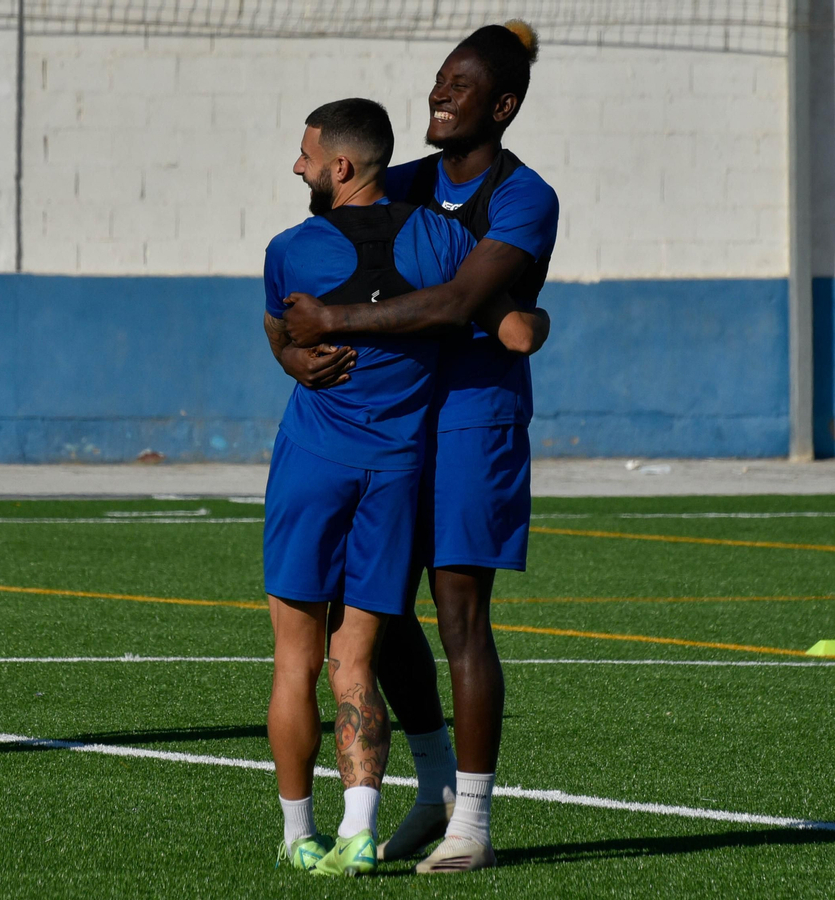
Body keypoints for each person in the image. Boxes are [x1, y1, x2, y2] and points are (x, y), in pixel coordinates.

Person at [279, 21, 558, 874]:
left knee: (460, 615)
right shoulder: (401, 179)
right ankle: (433, 782)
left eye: (461, 85)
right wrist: (293, 347)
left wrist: (335, 320)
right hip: (397, 422)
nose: (439, 94)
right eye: (439, 79)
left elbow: (454, 305)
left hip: (475, 417)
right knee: (377, 610)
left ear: (502, 106)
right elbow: (328, 237)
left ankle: (472, 820)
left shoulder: (525, 197)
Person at [261, 98, 476, 877]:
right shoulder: (448, 239)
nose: (298, 165)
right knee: (355, 662)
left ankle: (298, 837)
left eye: (307, 154)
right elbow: (488, 314)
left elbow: (279, 329)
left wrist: (294, 360)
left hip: (312, 463)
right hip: (395, 472)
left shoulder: (292, 248)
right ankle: (359, 832)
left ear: (341, 168)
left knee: (295, 662)